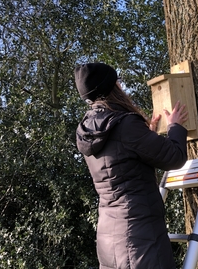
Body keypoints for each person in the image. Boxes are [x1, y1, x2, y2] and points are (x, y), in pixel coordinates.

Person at [74, 62, 189, 269]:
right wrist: (175, 127)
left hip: (109, 238)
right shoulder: (125, 125)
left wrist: (148, 137)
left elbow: (121, 164)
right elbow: (174, 157)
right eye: (118, 82)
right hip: (139, 239)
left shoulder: (87, 129)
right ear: (113, 87)